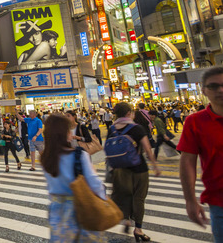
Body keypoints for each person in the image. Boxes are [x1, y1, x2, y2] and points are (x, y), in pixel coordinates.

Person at [41, 114, 106, 242]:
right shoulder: (79, 155)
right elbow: (94, 184)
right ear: (63, 133)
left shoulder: (46, 157)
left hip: (57, 211)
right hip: (79, 209)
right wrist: (104, 199)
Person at [178, 66, 223, 241]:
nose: (220, 90)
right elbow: (187, 162)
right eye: (213, 86)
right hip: (220, 203)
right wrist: (190, 200)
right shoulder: (194, 122)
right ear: (203, 90)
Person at [109, 102, 161, 241]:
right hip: (139, 168)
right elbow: (148, 149)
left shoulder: (112, 128)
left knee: (125, 195)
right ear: (128, 113)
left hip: (120, 169)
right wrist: (155, 166)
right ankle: (138, 228)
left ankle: (126, 219)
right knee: (139, 198)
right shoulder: (136, 128)